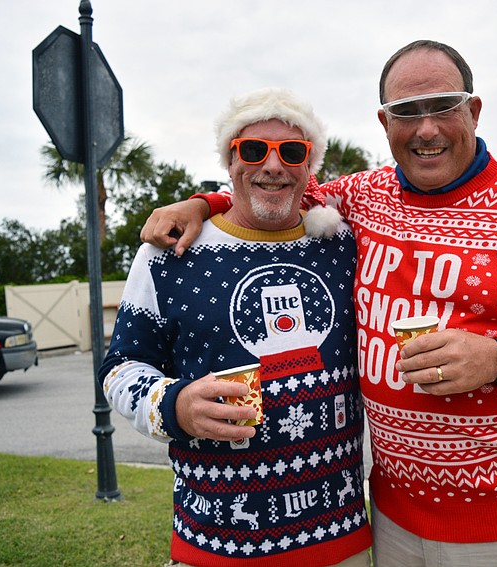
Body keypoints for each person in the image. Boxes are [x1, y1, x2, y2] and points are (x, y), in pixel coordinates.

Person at [141, 40, 497, 567]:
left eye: (443, 106)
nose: (425, 128)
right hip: (391, 522)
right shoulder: (364, 196)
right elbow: (277, 189)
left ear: (473, 111)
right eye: (407, 112)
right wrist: (203, 202)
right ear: (385, 123)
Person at [98, 87, 372, 567]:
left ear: (310, 168)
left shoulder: (343, 243)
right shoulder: (169, 252)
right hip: (216, 542)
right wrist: (172, 405)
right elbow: (120, 367)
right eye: (252, 150)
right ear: (230, 160)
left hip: (339, 540)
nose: (272, 165)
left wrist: (203, 200)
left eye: (292, 152)